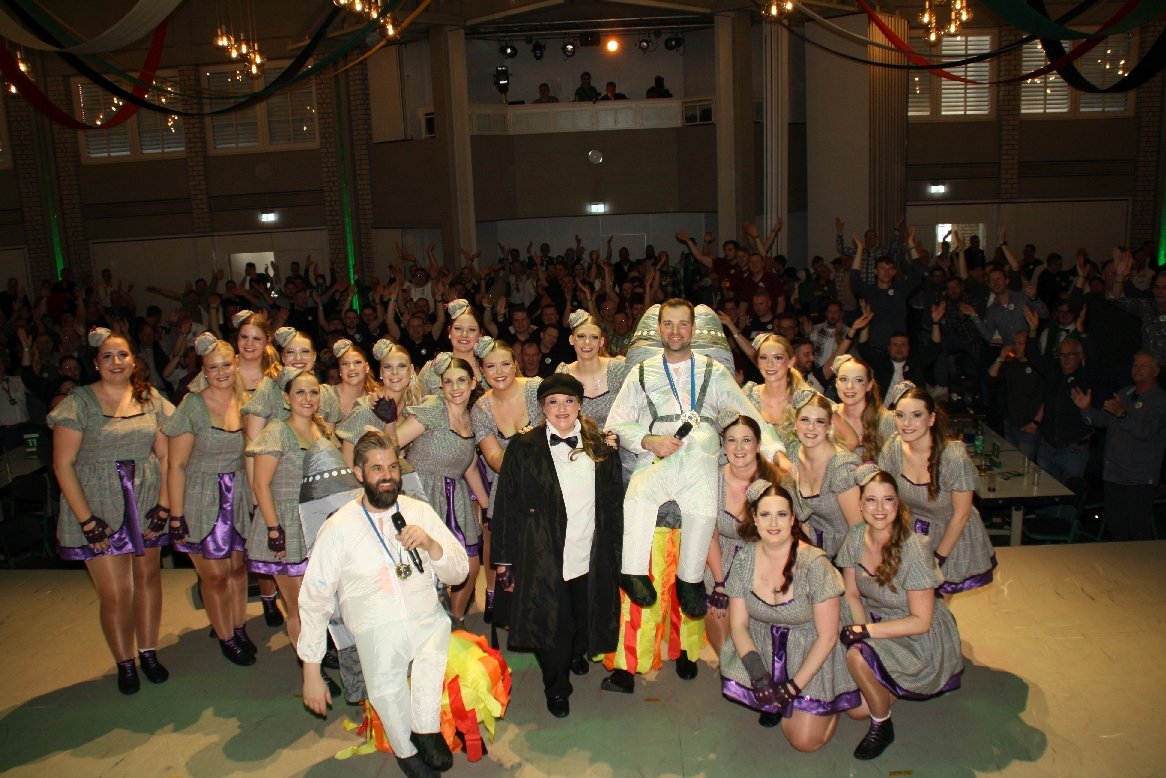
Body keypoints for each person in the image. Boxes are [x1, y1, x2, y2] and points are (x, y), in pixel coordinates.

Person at [603, 300, 775, 692]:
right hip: (652, 495)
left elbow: (749, 418)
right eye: (668, 324)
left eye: (683, 325)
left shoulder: (714, 372)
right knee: (643, 581)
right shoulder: (642, 372)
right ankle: (629, 665)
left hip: (697, 495)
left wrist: (775, 452)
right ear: (658, 328)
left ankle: (685, 653)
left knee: (690, 582)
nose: (676, 331)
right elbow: (618, 422)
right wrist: (648, 440)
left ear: (694, 329)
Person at [298, 430, 469, 778]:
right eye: (377, 469)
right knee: (386, 689)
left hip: (426, 618)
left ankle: (426, 730)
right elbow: (314, 598)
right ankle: (407, 751)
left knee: (433, 651)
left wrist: (432, 545)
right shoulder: (339, 526)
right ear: (359, 473)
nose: (387, 476)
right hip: (376, 627)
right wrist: (311, 669)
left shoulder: (418, 510)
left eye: (392, 467)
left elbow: (459, 571)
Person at [49, 326, 174, 694]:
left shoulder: (151, 398)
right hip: (97, 504)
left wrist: (164, 506)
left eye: (122, 354)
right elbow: (62, 464)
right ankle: (125, 662)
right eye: (107, 356)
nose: (116, 362)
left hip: (146, 499)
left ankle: (148, 652)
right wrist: (87, 521)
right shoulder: (78, 402)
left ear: (134, 360)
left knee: (148, 580)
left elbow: (167, 456)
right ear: (96, 363)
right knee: (117, 593)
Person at [491, 374, 624, 717]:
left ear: (580, 405)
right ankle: (557, 687)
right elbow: (505, 504)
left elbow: (613, 505)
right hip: (543, 552)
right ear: (542, 407)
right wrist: (504, 561)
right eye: (553, 401)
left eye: (568, 401)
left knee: (583, 613)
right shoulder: (523, 447)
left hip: (589, 551)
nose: (561, 408)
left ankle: (576, 653)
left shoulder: (601, 447)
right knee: (552, 622)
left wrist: (617, 554)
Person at [719, 480, 859, 748]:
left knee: (804, 741)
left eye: (781, 514)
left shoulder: (815, 564)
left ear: (793, 518)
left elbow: (828, 637)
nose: (773, 523)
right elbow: (738, 625)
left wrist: (794, 687)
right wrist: (759, 676)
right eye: (766, 515)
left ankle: (834, 700)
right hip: (768, 647)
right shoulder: (745, 558)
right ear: (754, 519)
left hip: (814, 648)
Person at [836, 471, 964, 761]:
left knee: (857, 658)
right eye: (871, 500)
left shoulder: (914, 547)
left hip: (916, 638)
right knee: (856, 710)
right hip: (875, 620)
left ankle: (882, 726)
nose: (879, 509)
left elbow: (921, 621)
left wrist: (865, 635)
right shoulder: (856, 536)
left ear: (898, 504)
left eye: (888, 500)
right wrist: (862, 629)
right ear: (860, 505)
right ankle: (889, 682)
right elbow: (852, 594)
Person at [163, 334, 254, 666]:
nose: (221, 372)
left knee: (238, 569)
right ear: (203, 370)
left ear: (236, 364)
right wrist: (176, 515)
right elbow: (176, 465)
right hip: (200, 495)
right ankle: (226, 636)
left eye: (226, 365)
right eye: (212, 367)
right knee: (215, 576)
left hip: (238, 492)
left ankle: (238, 627)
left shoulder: (247, 402)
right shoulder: (192, 406)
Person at [246, 368, 340, 689]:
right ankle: (311, 670)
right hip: (285, 524)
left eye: (313, 392)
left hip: (316, 525)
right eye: (300, 392)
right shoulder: (276, 431)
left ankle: (320, 652)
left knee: (320, 600)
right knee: (299, 605)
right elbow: (260, 485)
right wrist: (274, 530)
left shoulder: (321, 431)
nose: (307, 398)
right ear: (286, 398)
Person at [395, 355, 491, 621]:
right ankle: (423, 624)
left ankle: (454, 622)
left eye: (461, 380)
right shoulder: (433, 409)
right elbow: (392, 444)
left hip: (454, 495)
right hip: (421, 493)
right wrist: (403, 484)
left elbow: (470, 468)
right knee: (422, 568)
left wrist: (488, 507)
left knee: (470, 565)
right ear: (441, 385)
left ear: (473, 382)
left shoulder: (473, 418)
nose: (455, 387)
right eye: (448, 382)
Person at [880, 385, 996, 599]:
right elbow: (885, 498)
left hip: (950, 535)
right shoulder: (893, 448)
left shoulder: (953, 458)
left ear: (932, 418)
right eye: (900, 415)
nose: (907, 423)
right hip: (912, 532)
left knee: (934, 610)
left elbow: (961, 515)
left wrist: (937, 559)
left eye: (917, 415)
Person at [471, 337, 543, 623]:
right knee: (507, 551)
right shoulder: (481, 408)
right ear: (482, 371)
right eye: (491, 366)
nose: (499, 372)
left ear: (515, 364)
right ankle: (512, 611)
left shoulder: (537, 389)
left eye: (504, 364)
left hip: (548, 483)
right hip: (509, 487)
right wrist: (527, 454)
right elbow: (493, 458)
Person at [704, 414, 784, 658]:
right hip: (722, 558)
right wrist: (720, 583)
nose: (739, 448)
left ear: (758, 445)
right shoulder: (711, 479)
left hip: (767, 561)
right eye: (732, 440)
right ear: (723, 446)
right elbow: (710, 535)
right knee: (717, 609)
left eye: (746, 440)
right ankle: (730, 669)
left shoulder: (777, 481)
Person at [1073, 351, 1166, 541]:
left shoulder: (1160, 400)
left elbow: (1146, 431)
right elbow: (1102, 419)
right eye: (1135, 365)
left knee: (1138, 531)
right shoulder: (1125, 392)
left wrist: (1123, 415)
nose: (1137, 369)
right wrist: (1086, 409)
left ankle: (1144, 562)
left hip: (1138, 479)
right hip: (1114, 474)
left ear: (1156, 371)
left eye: (1143, 366)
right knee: (1116, 528)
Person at [1023, 307, 1097, 528]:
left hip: (1073, 450)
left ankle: (1068, 537)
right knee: (1051, 494)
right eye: (1062, 354)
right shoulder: (1053, 371)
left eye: (1070, 354)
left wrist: (1083, 333)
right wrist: (1033, 331)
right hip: (1048, 446)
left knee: (1070, 497)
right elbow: (1034, 357)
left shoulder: (1086, 376)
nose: (1065, 358)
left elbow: (1094, 360)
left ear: (1079, 356)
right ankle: (1052, 534)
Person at [778, 390, 864, 559]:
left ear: (829, 427)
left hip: (845, 553)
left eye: (820, 421)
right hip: (810, 550)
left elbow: (858, 531)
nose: (811, 428)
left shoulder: (842, 468)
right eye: (805, 420)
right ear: (795, 423)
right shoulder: (792, 455)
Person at [242, 327, 342, 444]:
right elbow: (252, 441)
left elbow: (329, 445)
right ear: (283, 357)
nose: (298, 358)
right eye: (290, 352)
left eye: (304, 351)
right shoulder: (268, 389)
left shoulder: (326, 394)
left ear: (314, 356)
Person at [849, 231, 926, 349]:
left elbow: (919, 273)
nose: (887, 272)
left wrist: (911, 244)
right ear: (875, 271)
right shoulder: (869, 291)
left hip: (897, 348)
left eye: (890, 269)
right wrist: (860, 249)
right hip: (874, 346)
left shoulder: (901, 290)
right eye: (883, 268)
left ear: (894, 272)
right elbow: (854, 277)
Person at [738, 333, 807, 452]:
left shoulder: (805, 398)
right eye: (764, 358)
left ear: (791, 362)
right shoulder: (748, 395)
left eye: (777, 358)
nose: (769, 364)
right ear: (758, 362)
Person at [986, 329, 1045, 461]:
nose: (1016, 347)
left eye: (1021, 343)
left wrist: (1035, 423)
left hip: (1028, 428)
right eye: (1015, 343)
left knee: (1023, 466)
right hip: (1010, 424)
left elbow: (1046, 398)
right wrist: (1001, 358)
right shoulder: (1011, 362)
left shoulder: (1039, 367)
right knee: (1010, 462)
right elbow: (990, 378)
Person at [832, 352, 895, 461]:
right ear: (836, 383)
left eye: (858, 380)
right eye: (843, 379)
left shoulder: (887, 420)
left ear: (869, 385)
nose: (849, 386)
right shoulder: (828, 417)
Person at [417, 300, 485, 394]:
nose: (464, 335)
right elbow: (415, 399)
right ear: (449, 331)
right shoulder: (431, 369)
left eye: (471, 329)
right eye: (458, 328)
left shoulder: (490, 368)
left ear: (480, 334)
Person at [332, 339, 378, 417]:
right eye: (345, 364)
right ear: (340, 369)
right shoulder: (326, 395)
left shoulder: (375, 398)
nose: (352, 368)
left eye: (357, 362)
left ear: (366, 367)